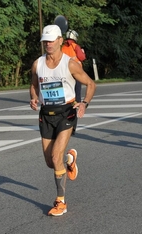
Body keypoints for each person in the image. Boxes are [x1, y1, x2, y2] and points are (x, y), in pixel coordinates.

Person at [29, 25, 96, 216]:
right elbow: (34, 85)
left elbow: (91, 84)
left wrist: (84, 103)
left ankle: (61, 202)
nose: (48, 44)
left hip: (66, 112)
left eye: (51, 40)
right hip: (46, 114)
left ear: (60, 40)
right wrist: (33, 97)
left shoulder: (70, 64)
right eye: (45, 41)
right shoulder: (38, 64)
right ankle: (70, 159)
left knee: (55, 157)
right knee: (51, 162)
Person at [61, 29, 86, 102]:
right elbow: (82, 57)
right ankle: (77, 102)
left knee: (67, 87)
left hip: (65, 71)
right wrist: (83, 52)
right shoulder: (75, 46)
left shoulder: (62, 47)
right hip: (76, 70)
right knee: (77, 88)